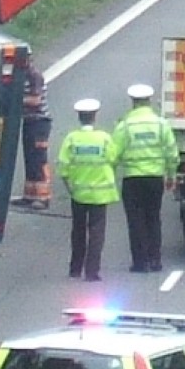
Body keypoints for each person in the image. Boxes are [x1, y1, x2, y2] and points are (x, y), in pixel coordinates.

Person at [112, 83, 179, 273]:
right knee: (153, 218)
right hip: (155, 178)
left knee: (135, 221)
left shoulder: (125, 126)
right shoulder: (161, 124)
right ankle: (155, 260)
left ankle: (140, 262)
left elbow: (113, 155)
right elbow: (172, 152)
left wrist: (110, 176)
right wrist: (171, 175)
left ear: (133, 102)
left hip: (132, 178)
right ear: (149, 101)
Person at [57, 99, 119, 282]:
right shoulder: (104, 138)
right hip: (100, 194)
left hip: (78, 193)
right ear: (95, 117)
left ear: (79, 117)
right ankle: (92, 271)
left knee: (78, 230)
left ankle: (75, 269)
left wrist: (69, 187)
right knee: (97, 232)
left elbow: (63, 166)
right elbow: (114, 159)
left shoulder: (71, 139)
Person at [15, 52, 53, 210]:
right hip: (29, 121)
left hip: (39, 122)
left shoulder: (34, 76)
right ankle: (30, 196)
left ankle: (43, 197)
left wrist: (15, 100)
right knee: (30, 158)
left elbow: (35, 100)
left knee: (38, 159)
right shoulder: (21, 76)